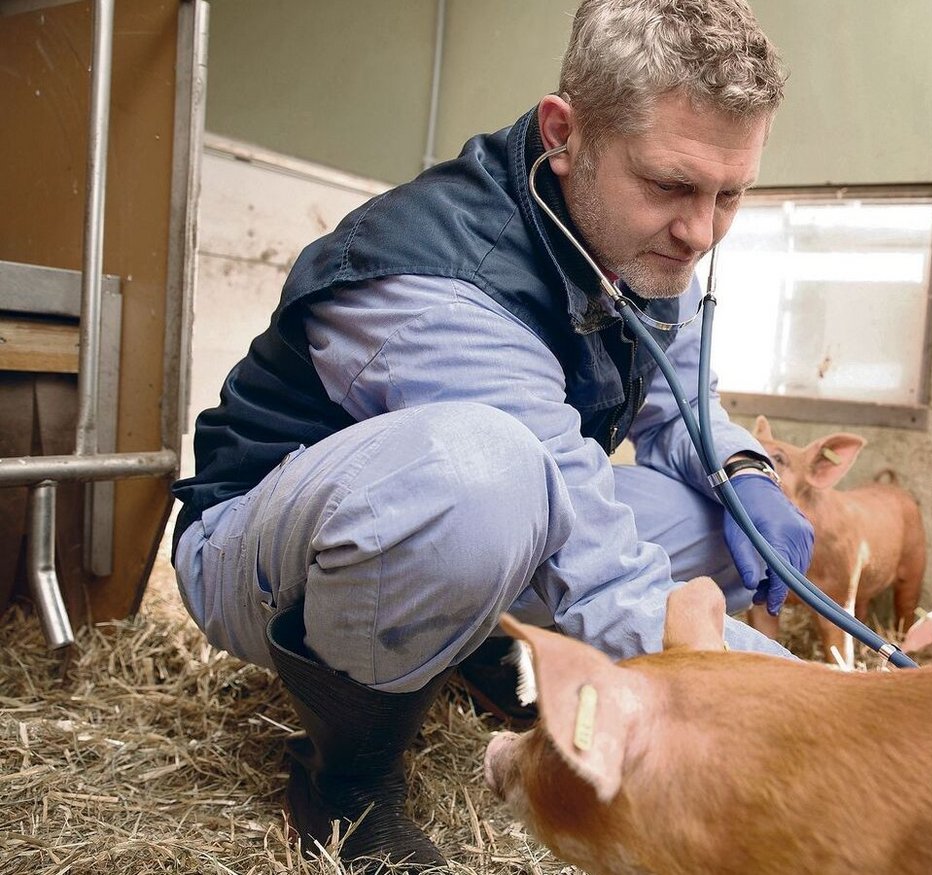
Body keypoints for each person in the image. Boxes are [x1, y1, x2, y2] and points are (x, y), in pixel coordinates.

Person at [169, 0, 812, 870]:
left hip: (472, 513)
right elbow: (598, 564)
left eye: (728, 195)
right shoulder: (443, 276)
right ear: (565, 133)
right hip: (266, 544)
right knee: (482, 478)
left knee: (716, 527)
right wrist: (820, 714)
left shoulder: (629, 239)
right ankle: (345, 781)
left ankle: (478, 652)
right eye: (671, 185)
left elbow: (684, 402)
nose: (699, 232)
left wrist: (746, 471)